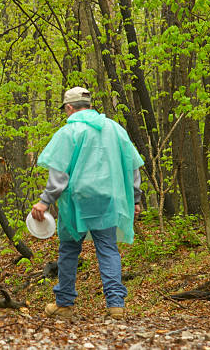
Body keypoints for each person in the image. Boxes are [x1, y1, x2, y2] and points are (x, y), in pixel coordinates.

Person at [31, 87, 144, 319]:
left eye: (65, 109)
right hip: (107, 200)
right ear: (90, 106)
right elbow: (132, 165)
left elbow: (59, 175)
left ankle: (64, 304)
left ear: (70, 107)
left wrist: (44, 202)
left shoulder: (69, 132)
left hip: (77, 201)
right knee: (108, 249)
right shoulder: (115, 129)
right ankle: (116, 306)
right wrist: (135, 198)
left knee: (69, 251)